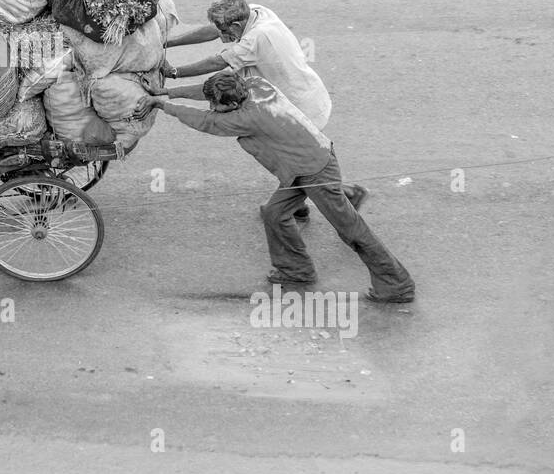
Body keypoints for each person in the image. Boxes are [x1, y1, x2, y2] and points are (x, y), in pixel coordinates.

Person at [136, 70, 415, 302]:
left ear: (232, 105)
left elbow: (205, 121)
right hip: (304, 164)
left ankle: (397, 285)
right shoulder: (256, 84)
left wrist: (161, 105)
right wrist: (164, 92)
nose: (212, 107)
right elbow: (206, 92)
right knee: (274, 214)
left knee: (351, 229)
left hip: (313, 170)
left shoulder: (247, 117)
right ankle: (296, 270)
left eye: (217, 105)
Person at [159, 0, 364, 218]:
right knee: (292, 160)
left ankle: (338, 196)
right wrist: (169, 42)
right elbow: (213, 30)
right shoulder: (253, 12)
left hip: (298, 108)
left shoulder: (256, 38)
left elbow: (218, 63)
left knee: (298, 163)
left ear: (236, 25)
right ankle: (299, 204)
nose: (223, 37)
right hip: (296, 96)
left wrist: (174, 73)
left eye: (226, 31)